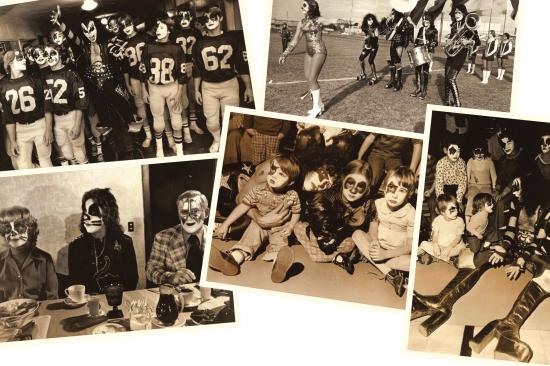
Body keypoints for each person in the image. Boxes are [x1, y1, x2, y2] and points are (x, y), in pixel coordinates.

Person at [469, 174, 550, 362]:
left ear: (533, 191)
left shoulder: (546, 209)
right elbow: (510, 231)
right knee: (478, 258)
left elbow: (539, 242)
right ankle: (442, 302)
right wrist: (503, 249)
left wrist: (521, 260)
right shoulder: (516, 202)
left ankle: (506, 325)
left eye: (519, 188)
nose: (515, 191)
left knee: (546, 274)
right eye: (515, 187)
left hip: (537, 252)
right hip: (517, 246)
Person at [211, 155, 301, 283]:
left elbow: (297, 212)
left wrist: (291, 226)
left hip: (280, 227)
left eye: (281, 174)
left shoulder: (292, 195)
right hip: (259, 224)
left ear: (291, 182)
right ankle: (233, 260)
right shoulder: (258, 190)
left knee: (280, 245)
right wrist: (225, 224)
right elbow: (242, 207)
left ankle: (278, 265)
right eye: (273, 170)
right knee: (251, 236)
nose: (274, 175)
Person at [294, 160, 375, 274]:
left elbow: (357, 229)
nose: (353, 190)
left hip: (342, 237)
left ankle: (323, 254)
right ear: (343, 179)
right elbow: (319, 225)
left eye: (360, 186)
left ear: (367, 188)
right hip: (322, 232)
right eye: (350, 183)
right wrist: (323, 238)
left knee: (350, 244)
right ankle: (338, 257)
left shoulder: (368, 203)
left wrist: (338, 236)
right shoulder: (325, 197)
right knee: (298, 227)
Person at [193, 6, 253, 153]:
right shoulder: (199, 44)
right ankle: (217, 139)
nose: (209, 21)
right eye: (206, 19)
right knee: (211, 120)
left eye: (213, 17)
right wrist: (196, 89)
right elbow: (197, 70)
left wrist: (248, 87)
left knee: (231, 118)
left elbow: (241, 65)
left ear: (220, 18)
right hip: (208, 86)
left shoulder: (232, 40)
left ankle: (228, 142)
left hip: (229, 84)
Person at [352, 167, 416, 297]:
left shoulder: (411, 213)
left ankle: (379, 263)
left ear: (409, 194)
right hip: (379, 247)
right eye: (391, 187)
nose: (395, 194)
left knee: (413, 262)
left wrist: (385, 254)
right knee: (357, 234)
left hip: (396, 254)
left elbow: (410, 247)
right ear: (384, 187)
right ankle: (392, 274)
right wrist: (375, 242)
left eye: (402, 190)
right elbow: (373, 229)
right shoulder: (377, 204)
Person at [67, 188, 138, 293]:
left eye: (93, 211)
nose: (86, 217)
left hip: (118, 301)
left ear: (107, 212)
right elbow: (77, 285)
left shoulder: (125, 242)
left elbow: (132, 281)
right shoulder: (76, 246)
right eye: (85, 211)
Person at [140, 13, 187, 157]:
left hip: (172, 87)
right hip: (154, 88)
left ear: (169, 30)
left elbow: (182, 74)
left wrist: (179, 94)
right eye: (157, 28)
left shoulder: (176, 48)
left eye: (162, 27)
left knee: (177, 121)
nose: (158, 30)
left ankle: (180, 151)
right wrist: (144, 90)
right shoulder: (148, 47)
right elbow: (143, 71)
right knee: (158, 121)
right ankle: (159, 148)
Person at [0, 50, 54, 169]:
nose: (24, 60)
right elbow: (8, 117)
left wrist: (48, 129)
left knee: (45, 161)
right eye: (19, 58)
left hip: (39, 125)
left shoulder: (35, 80)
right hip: (20, 129)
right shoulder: (3, 86)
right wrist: (12, 140)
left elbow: (47, 107)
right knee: (23, 165)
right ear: (9, 62)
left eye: (24, 57)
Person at [279, 0, 332, 117]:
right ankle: (320, 104)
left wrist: (335, 23)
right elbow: (295, 40)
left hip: (319, 50)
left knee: (312, 78)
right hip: (309, 52)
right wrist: (285, 54)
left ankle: (316, 108)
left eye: (304, 5)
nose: (301, 7)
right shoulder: (301, 22)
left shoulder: (319, 20)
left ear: (312, 7)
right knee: (309, 78)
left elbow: (331, 22)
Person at [146, 190, 209, 286]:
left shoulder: (214, 237)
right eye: (184, 212)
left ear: (206, 213)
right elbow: (151, 270)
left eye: (195, 211)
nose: (189, 217)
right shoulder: (163, 237)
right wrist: (170, 277)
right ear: (179, 214)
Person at [0, 206, 58, 301]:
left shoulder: (44, 260)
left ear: (30, 230)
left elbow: (52, 298)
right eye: (7, 228)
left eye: (19, 227)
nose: (13, 233)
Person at [44, 43, 89, 165]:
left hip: (72, 116)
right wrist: (49, 127)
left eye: (52, 53)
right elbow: (47, 104)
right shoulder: (46, 76)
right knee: (67, 152)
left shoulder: (71, 74)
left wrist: (77, 123)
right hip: (57, 119)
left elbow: (81, 101)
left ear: (60, 54)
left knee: (79, 151)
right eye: (46, 54)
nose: (49, 57)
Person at [120, 14, 153, 149]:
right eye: (123, 26)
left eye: (128, 24)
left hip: (150, 77)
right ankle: (148, 134)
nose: (126, 28)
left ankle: (160, 133)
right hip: (135, 78)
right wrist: (127, 84)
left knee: (157, 105)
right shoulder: (124, 45)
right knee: (140, 107)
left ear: (133, 24)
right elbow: (125, 68)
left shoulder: (145, 38)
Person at [172, 5, 205, 140]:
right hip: (180, 68)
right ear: (177, 19)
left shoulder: (196, 33)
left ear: (191, 17)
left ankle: (193, 122)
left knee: (192, 96)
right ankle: (185, 128)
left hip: (193, 66)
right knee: (183, 98)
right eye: (181, 17)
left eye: (187, 17)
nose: (184, 20)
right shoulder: (173, 34)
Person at [443, 4, 480, 107]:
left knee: (451, 78)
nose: (457, 15)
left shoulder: (469, 23)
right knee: (446, 78)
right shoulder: (454, 25)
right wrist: (448, 41)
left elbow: (477, 42)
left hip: (461, 53)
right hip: (452, 53)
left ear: (464, 13)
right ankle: (447, 100)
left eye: (459, 13)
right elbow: (452, 38)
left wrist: (468, 41)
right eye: (455, 13)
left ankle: (458, 103)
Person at [418, 194, 465, 264]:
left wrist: (448, 248)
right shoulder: (437, 220)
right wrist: (435, 245)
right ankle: (422, 256)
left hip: (453, 246)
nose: (456, 212)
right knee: (423, 244)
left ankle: (438, 257)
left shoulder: (459, 221)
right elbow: (435, 235)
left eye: (456, 208)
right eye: (452, 210)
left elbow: (458, 238)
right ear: (442, 212)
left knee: (462, 248)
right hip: (440, 246)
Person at [465, 141, 496, 221]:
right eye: (477, 152)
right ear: (473, 152)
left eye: (482, 152)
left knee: (485, 199)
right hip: (473, 186)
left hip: (486, 186)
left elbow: (494, 177)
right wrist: (465, 189)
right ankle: (468, 222)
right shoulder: (470, 161)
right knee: (471, 197)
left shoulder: (489, 161)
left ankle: (482, 221)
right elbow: (467, 177)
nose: (479, 155)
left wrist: (495, 189)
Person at [384, 8, 414, 92]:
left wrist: (402, 28)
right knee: (392, 61)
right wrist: (388, 20)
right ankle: (392, 80)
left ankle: (399, 82)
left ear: (397, 13)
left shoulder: (404, 20)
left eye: (393, 13)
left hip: (400, 42)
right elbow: (387, 28)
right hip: (393, 42)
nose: (391, 14)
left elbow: (410, 28)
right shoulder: (393, 21)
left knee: (397, 61)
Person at [409, 14, 438, 100]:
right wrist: (415, 44)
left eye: (426, 20)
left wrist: (430, 45)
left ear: (430, 21)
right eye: (424, 20)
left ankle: (424, 91)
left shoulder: (434, 30)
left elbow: (436, 42)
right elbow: (417, 39)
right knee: (417, 70)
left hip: (427, 51)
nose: (425, 22)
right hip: (418, 50)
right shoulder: (421, 29)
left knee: (425, 71)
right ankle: (418, 89)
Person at [434, 139, 467, 207]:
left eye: (458, 151)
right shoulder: (441, 163)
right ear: (445, 150)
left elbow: (462, 182)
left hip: (458, 189)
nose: (456, 154)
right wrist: (441, 199)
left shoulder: (461, 162)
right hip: (445, 189)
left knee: (458, 208)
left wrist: (459, 200)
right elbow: (439, 183)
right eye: (452, 151)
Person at [357, 13, 379, 84]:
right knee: (361, 58)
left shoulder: (375, 28)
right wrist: (364, 44)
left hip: (374, 46)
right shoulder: (365, 28)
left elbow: (376, 36)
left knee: (370, 61)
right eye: (369, 20)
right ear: (366, 21)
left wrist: (369, 34)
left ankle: (374, 77)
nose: (371, 21)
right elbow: (365, 38)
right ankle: (363, 74)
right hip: (367, 46)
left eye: (372, 19)